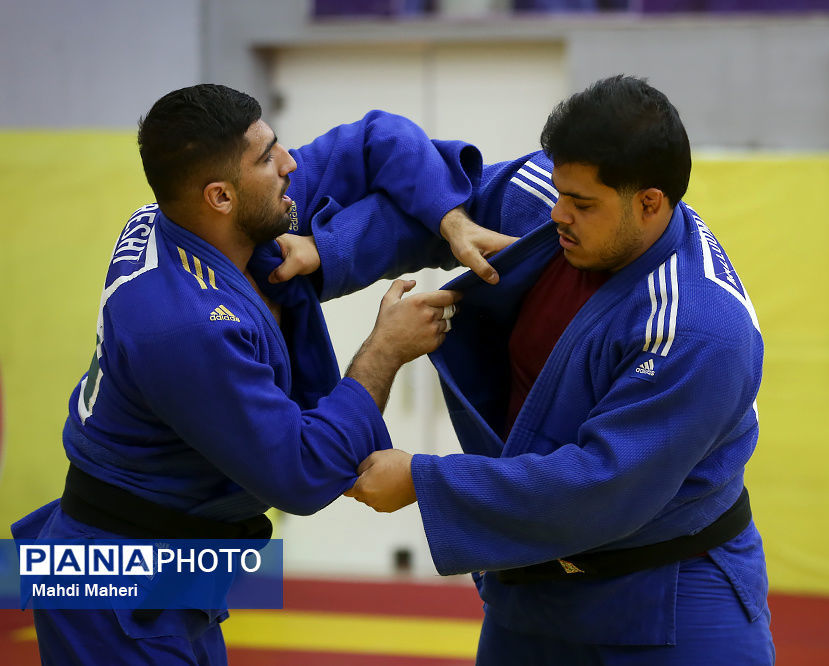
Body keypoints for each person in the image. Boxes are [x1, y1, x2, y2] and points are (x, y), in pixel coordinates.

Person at [10, 83, 512, 665]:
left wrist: (449, 221)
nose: (289, 163)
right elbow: (297, 475)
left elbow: (379, 139)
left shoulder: (201, 218)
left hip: (173, 562)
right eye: (267, 157)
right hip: (109, 579)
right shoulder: (184, 324)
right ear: (220, 195)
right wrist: (384, 350)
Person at [346, 76, 776, 664]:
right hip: (533, 584)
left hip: (669, 584)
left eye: (582, 204)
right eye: (559, 191)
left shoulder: (700, 328)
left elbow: (600, 484)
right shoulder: (556, 203)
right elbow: (436, 200)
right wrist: (321, 252)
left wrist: (425, 480)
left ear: (650, 202)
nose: (558, 215)